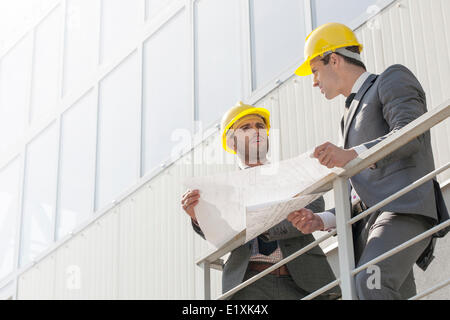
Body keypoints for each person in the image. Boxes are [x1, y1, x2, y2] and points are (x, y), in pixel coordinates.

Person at [288, 22, 449, 299]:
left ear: (334, 60)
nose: (314, 81)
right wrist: (321, 220)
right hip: (372, 226)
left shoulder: (391, 78)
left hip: (403, 210)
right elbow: (360, 192)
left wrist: (351, 154)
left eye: (315, 71)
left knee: (369, 283)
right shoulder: (346, 117)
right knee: (376, 289)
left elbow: (411, 133)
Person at [181, 101, 340, 300]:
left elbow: (315, 205)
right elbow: (221, 233)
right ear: (231, 142)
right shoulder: (222, 191)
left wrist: (262, 225)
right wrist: (199, 217)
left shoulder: (293, 173)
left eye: (260, 126)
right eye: (246, 128)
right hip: (249, 286)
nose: (256, 131)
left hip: (303, 281)